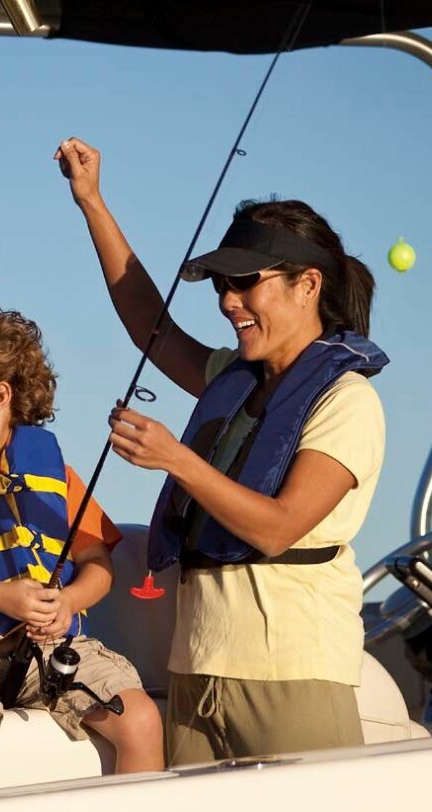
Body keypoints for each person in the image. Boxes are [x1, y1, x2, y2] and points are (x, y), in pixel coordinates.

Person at [56, 136, 388, 764]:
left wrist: (176, 458)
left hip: (294, 677)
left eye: (245, 283)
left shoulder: (348, 403)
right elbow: (149, 326)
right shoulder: (232, 377)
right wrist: (92, 203)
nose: (227, 300)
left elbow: (279, 527)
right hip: (195, 668)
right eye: (220, 284)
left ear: (306, 285)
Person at [0, 300, 163, 793]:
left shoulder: (57, 477)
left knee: (142, 718)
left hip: (54, 645)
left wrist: (69, 602)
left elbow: (97, 563)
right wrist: (1, 597)